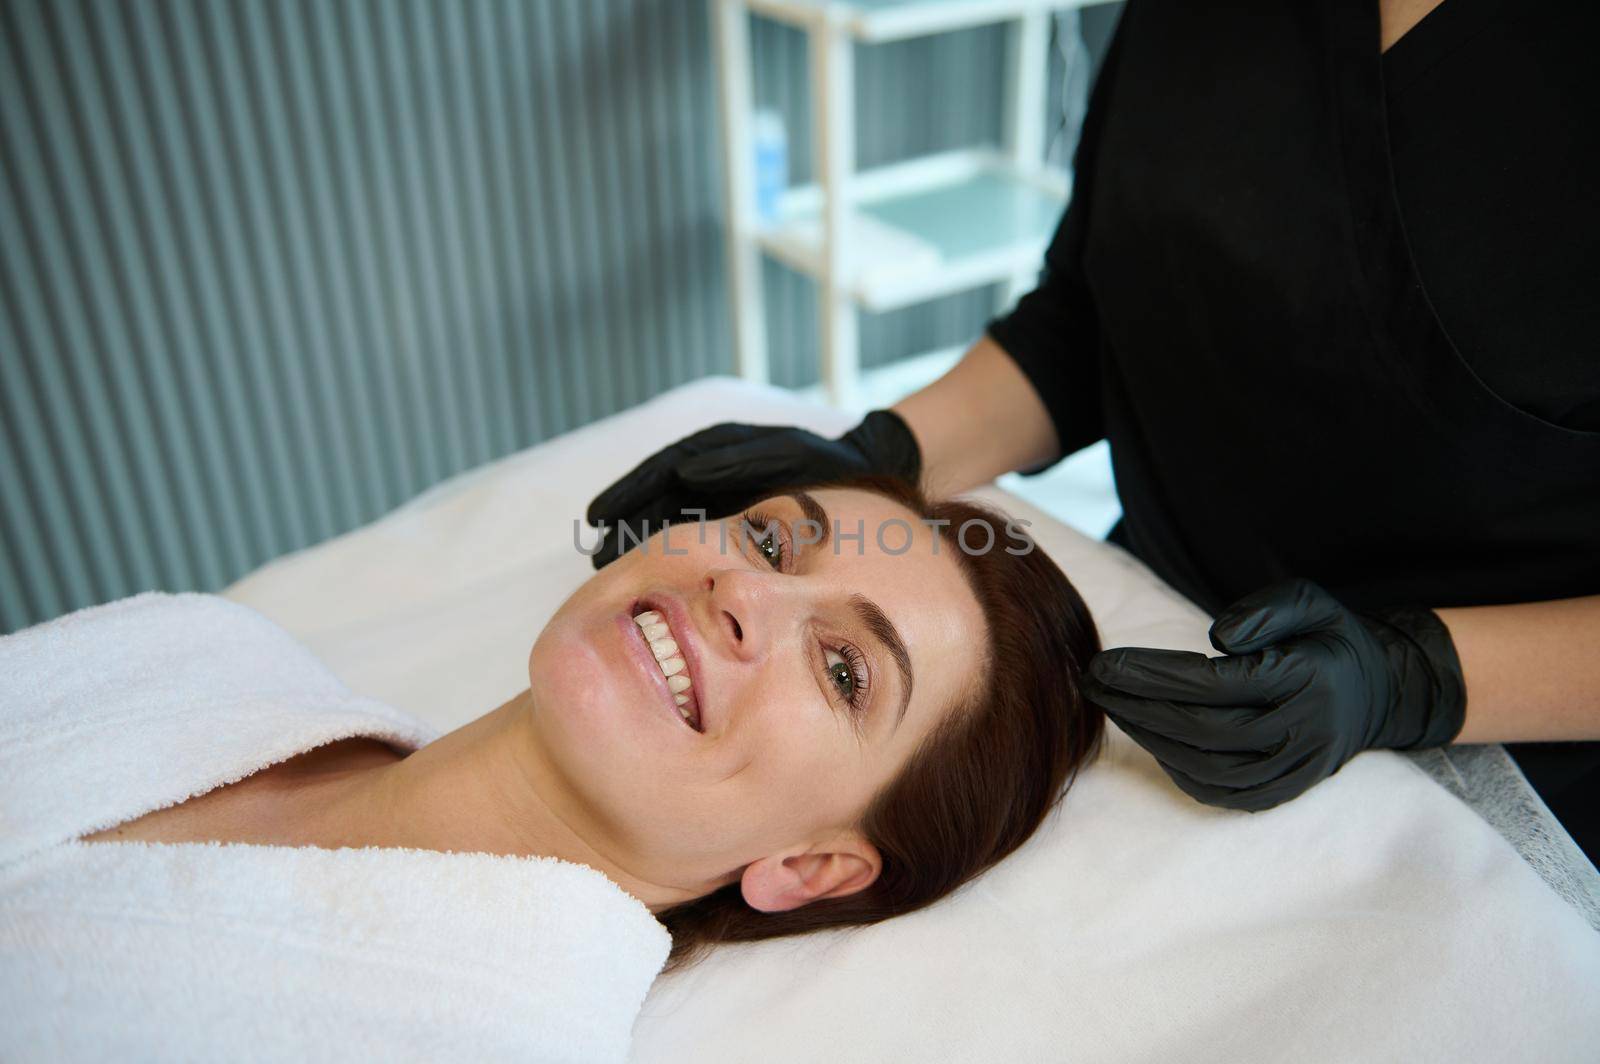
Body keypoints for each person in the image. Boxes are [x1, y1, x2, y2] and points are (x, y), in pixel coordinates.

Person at [587, 0, 1600, 856]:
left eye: (848, 672)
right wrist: (875, 460)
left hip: (1501, 753)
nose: (743, 597)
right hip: (1153, 652)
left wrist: (1408, 681)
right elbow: (1093, 313)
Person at [1, 478, 1103, 1057]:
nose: (745, 591)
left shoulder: (484, 1039)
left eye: (845, 670)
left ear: (812, 863)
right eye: (770, 539)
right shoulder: (199, 646)